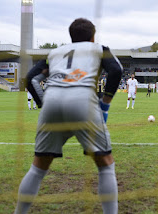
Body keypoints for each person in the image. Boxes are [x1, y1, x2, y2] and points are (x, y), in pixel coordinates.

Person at [15, 18, 123, 214]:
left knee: (38, 167)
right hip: (82, 100)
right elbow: (116, 70)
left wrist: (43, 104)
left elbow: (31, 78)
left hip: (52, 102)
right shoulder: (98, 48)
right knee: (105, 164)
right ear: (92, 37)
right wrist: (105, 105)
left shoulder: (54, 53)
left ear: (71, 37)